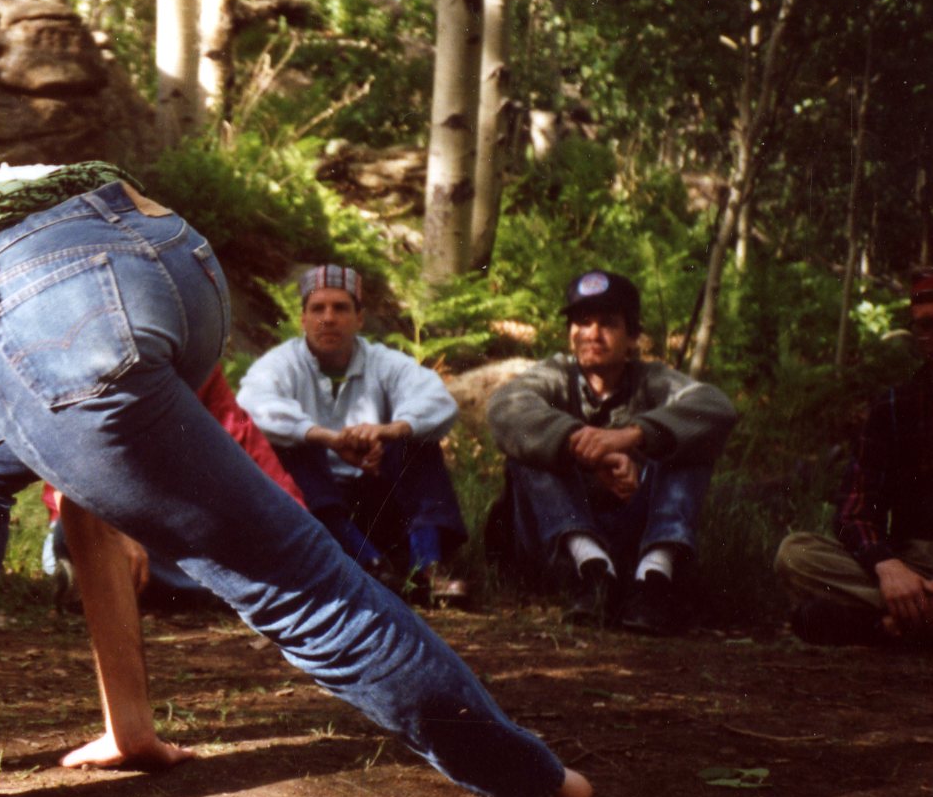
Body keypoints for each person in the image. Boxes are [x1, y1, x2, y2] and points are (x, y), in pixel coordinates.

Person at [0, 160, 590, 797]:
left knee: (292, 575)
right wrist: (129, 727)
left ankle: (531, 776)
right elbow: (91, 495)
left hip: (51, 301)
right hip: (172, 257)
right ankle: (118, 724)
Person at [487, 270, 736, 634]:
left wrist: (632, 436)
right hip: (559, 545)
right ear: (570, 333)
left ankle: (654, 580)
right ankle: (592, 573)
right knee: (531, 448)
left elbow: (716, 407)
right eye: (582, 322)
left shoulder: (652, 379)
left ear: (632, 338)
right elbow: (505, 408)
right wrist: (583, 445)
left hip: (634, 538)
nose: (592, 333)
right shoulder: (556, 375)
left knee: (691, 440)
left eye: (608, 323)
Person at [237, 265, 469, 605]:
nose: (328, 318)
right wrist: (328, 438)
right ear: (303, 319)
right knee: (292, 447)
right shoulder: (281, 364)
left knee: (417, 437)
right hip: (319, 508)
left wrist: (387, 431)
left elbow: (437, 400)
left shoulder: (383, 362)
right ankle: (367, 566)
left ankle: (427, 567)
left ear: (360, 318)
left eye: (341, 308)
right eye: (318, 309)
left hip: (379, 500)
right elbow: (253, 405)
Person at [41, 365, 306, 613]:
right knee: (77, 538)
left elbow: (244, 445)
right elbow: (64, 467)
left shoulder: (195, 365)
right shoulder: (86, 361)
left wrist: (297, 526)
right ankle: (236, 588)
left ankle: (226, 586)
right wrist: (113, 527)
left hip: (173, 532)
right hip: (95, 520)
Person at [773, 268, 933, 645]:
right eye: (924, 327)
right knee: (796, 555)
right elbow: (854, 510)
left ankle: (882, 628)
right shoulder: (897, 406)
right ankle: (910, 620)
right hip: (914, 564)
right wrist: (886, 565)